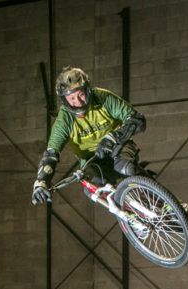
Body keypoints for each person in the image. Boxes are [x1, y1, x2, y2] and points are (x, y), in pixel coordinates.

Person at [31, 66, 146, 205]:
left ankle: (153, 191)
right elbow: (51, 154)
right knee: (90, 188)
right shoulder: (64, 120)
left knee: (126, 167)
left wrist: (114, 137)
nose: (78, 102)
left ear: (87, 90)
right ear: (65, 100)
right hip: (93, 160)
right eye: (71, 98)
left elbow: (137, 120)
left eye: (80, 95)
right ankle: (126, 211)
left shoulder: (102, 97)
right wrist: (41, 183)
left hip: (118, 146)